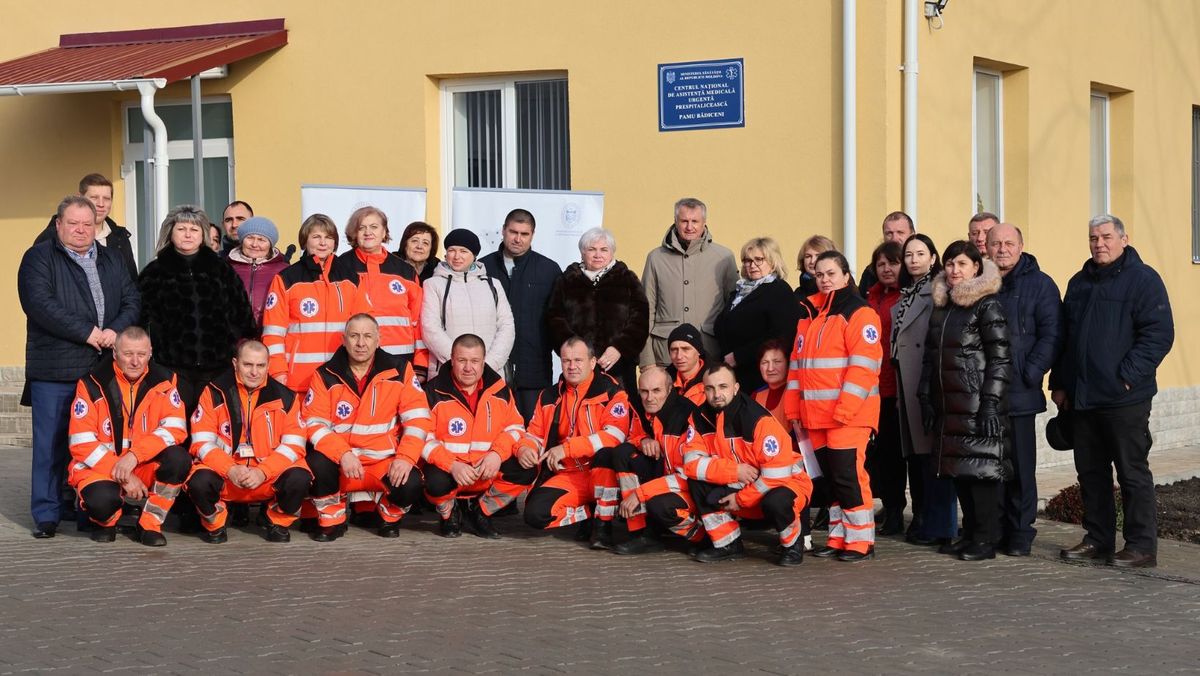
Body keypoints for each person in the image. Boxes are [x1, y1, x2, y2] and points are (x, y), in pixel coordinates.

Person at [1051, 215, 1174, 568]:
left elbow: (1158, 334)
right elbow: (1066, 339)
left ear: (1124, 239)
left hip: (1125, 398)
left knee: (1132, 472)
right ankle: (1098, 539)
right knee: (1091, 472)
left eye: (1106, 237)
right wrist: (1059, 382)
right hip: (1083, 397)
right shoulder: (1079, 283)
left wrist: (1127, 377)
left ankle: (1141, 546)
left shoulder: (1144, 280)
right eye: (1093, 238)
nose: (1099, 244)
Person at [18, 195, 141, 539]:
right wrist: (89, 333)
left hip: (101, 369)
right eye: (73, 223)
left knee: (95, 445)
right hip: (55, 369)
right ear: (58, 225)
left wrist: (115, 332)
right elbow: (40, 304)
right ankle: (46, 514)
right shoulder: (39, 258)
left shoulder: (111, 258)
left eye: (87, 224)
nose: (81, 230)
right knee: (51, 446)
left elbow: (133, 298)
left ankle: (89, 510)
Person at [786, 251, 882, 562]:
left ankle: (860, 541)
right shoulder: (809, 317)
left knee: (848, 476)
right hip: (816, 417)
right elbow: (796, 371)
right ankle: (840, 537)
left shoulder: (860, 313)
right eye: (820, 274)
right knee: (831, 479)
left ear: (845, 276)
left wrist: (845, 410)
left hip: (847, 416)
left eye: (831, 273)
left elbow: (863, 367)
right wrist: (793, 412)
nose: (825, 280)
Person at [303, 314, 433, 541]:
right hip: (341, 464)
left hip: (383, 462)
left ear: (378, 339)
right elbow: (314, 424)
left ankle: (388, 515)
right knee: (314, 463)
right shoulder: (324, 375)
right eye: (354, 336)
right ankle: (332, 519)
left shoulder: (400, 370)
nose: (360, 343)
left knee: (411, 482)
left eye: (367, 336)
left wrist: (405, 458)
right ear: (344, 340)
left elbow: (418, 420)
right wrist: (342, 453)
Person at [919, 240, 1011, 561]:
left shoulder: (987, 306)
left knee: (981, 474)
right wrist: (926, 396)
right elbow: (931, 357)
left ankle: (985, 540)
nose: (954, 270)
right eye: (949, 264)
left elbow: (1000, 359)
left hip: (976, 405)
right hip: (949, 406)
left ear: (975, 267)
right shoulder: (943, 307)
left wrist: (990, 403)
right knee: (959, 472)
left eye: (961, 264)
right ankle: (970, 533)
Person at [67, 327, 190, 546]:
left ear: (150, 353)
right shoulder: (91, 384)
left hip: (142, 463)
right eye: (128, 354)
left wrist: (134, 456)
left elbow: (176, 428)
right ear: (114, 353)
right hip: (102, 468)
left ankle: (150, 523)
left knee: (179, 459)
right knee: (101, 501)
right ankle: (106, 521)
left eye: (141, 354)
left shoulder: (165, 381)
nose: (135, 361)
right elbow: (81, 443)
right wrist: (123, 473)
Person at [686, 363, 813, 565]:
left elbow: (775, 476)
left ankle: (792, 545)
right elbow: (691, 463)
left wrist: (740, 499)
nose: (716, 394)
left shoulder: (757, 419)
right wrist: (734, 471)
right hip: (743, 481)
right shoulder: (699, 417)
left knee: (777, 501)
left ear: (736, 388)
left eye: (723, 387)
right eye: (710, 388)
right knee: (697, 483)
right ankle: (728, 544)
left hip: (788, 484)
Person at [187, 340, 311, 543]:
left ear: (268, 366)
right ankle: (217, 523)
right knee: (198, 480)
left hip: (266, 476)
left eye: (260, 366)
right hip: (228, 476)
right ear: (235, 363)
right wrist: (230, 469)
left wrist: (263, 471)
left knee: (300, 477)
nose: (254, 372)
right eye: (248, 365)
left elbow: (295, 446)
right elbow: (201, 442)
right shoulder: (214, 392)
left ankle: (276, 520)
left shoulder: (286, 397)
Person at [986, 223, 1062, 556]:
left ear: (1021, 246)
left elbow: (1052, 335)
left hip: (1019, 390)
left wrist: (1029, 372)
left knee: (1019, 465)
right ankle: (997, 527)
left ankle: (1020, 531)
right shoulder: (981, 283)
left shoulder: (1041, 285)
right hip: (985, 392)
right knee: (993, 465)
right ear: (986, 247)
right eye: (996, 243)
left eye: (1009, 243)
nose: (1002, 249)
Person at [136, 205, 257, 413]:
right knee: (175, 424)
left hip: (218, 365)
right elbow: (141, 319)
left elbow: (242, 313)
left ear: (203, 234)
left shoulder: (221, 269)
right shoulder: (154, 272)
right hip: (172, 367)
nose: (188, 235)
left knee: (215, 424)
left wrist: (227, 338)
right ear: (170, 233)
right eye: (181, 229)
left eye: (194, 229)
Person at [421, 334, 537, 538]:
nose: (468, 368)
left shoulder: (500, 390)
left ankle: (480, 511)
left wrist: (496, 455)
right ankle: (449, 513)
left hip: (487, 469)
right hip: (452, 472)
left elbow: (516, 428)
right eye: (462, 360)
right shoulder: (432, 392)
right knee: (432, 481)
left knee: (526, 469)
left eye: (475, 361)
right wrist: (452, 465)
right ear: (451, 359)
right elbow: (422, 437)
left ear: (483, 362)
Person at [522, 337, 633, 549]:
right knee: (535, 515)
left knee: (606, 454)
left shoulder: (612, 393)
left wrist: (566, 449)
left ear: (592, 363)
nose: (572, 366)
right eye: (566, 361)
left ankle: (604, 526)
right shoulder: (548, 395)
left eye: (578, 360)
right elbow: (534, 435)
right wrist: (525, 449)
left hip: (602, 473)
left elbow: (615, 435)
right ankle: (588, 514)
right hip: (568, 475)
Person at [609, 366, 708, 555]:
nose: (649, 397)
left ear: (670, 390)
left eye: (656, 391)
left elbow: (687, 474)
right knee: (623, 453)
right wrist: (643, 440)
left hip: (690, 486)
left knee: (658, 505)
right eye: (644, 391)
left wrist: (640, 494)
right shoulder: (638, 405)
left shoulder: (686, 416)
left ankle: (702, 536)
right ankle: (641, 532)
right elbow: (629, 434)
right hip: (665, 473)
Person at [545, 228, 649, 405]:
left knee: (620, 415)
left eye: (604, 249)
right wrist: (577, 352)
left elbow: (640, 319)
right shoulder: (567, 280)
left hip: (619, 367)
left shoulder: (627, 279)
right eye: (592, 249)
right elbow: (555, 318)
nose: (597, 255)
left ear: (612, 253)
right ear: (582, 252)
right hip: (578, 367)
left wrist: (619, 348)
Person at [480, 209, 563, 421]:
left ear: (532, 235)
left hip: (533, 370)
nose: (518, 239)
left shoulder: (548, 270)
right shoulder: (482, 267)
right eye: (513, 232)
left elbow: (559, 318)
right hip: (490, 368)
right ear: (503, 231)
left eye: (524, 234)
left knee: (533, 434)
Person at [261, 214, 355, 394]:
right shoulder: (286, 279)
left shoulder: (351, 278)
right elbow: (273, 333)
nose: (323, 243)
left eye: (328, 237)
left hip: (342, 377)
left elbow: (364, 327)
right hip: (298, 380)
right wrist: (278, 372)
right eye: (316, 237)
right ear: (305, 241)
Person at [640, 197, 738, 366]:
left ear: (704, 222)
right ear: (675, 221)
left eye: (695, 221)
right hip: (665, 356)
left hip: (710, 354)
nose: (689, 227)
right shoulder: (656, 258)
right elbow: (644, 312)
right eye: (684, 221)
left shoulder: (724, 257)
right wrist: (647, 362)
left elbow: (734, 311)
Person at [892, 233, 945, 546]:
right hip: (905, 381)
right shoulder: (905, 294)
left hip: (925, 381)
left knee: (927, 457)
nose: (913, 260)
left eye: (920, 253)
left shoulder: (936, 291)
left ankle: (931, 519)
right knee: (913, 456)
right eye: (908, 255)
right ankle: (921, 514)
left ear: (933, 257)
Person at [332, 206, 428, 378]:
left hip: (400, 362)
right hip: (354, 362)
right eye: (361, 228)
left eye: (374, 227)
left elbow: (418, 322)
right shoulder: (339, 268)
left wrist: (421, 364)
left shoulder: (405, 271)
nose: (368, 232)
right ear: (354, 233)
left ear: (384, 232)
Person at [420, 228, 515, 377]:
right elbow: (430, 328)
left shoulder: (493, 285)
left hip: (490, 372)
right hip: (448, 371)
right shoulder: (433, 285)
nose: (457, 256)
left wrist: (488, 365)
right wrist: (460, 363)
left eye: (463, 251)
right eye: (452, 250)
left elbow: (506, 326)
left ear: (474, 255)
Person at [713, 237, 801, 392]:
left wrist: (739, 356)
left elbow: (781, 335)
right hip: (735, 374)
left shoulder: (779, 291)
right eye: (747, 260)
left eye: (758, 260)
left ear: (772, 261)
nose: (751, 265)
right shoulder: (739, 293)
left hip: (761, 377)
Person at [865, 241, 907, 536]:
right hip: (870, 388)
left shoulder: (905, 297)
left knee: (894, 455)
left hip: (895, 387)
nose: (887, 269)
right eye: (881, 264)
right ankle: (887, 504)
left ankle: (896, 511)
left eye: (893, 263)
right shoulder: (871, 298)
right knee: (877, 455)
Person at [35, 174, 137, 283]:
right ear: (79, 198)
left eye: (106, 199)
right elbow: (37, 284)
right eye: (94, 198)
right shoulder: (51, 237)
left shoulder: (120, 238)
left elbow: (132, 284)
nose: (101, 204)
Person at [226, 216, 289, 328]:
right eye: (250, 238)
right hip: (232, 339)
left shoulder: (285, 271)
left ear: (270, 244)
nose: (255, 244)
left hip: (271, 338)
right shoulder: (225, 268)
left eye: (261, 240)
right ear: (241, 240)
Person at [859, 211, 915, 295]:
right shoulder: (871, 272)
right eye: (889, 233)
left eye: (900, 233)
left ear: (912, 235)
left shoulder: (918, 269)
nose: (894, 238)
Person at [664, 323, 707, 405]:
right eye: (674, 350)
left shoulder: (716, 379)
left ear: (699, 351)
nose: (679, 356)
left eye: (685, 349)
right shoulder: (663, 381)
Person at [751, 339, 790, 427]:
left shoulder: (795, 393)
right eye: (765, 362)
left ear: (788, 364)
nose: (770, 368)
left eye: (777, 362)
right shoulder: (756, 396)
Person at [795, 234, 837, 299]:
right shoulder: (798, 295)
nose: (812, 261)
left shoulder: (842, 291)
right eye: (808, 256)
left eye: (818, 256)